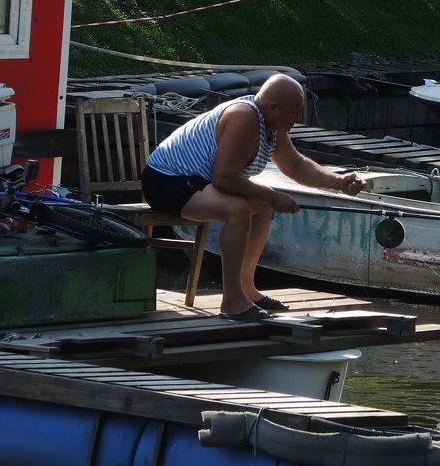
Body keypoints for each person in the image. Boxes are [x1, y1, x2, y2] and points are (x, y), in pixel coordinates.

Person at [141, 73, 367, 322]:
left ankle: (247, 289)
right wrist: (273, 195)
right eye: (294, 111)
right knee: (238, 208)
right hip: (166, 181)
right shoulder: (244, 117)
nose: (299, 118)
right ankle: (233, 302)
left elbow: (294, 166)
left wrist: (338, 181)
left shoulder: (272, 124)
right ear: (273, 107)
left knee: (261, 206)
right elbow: (224, 179)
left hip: (194, 182)